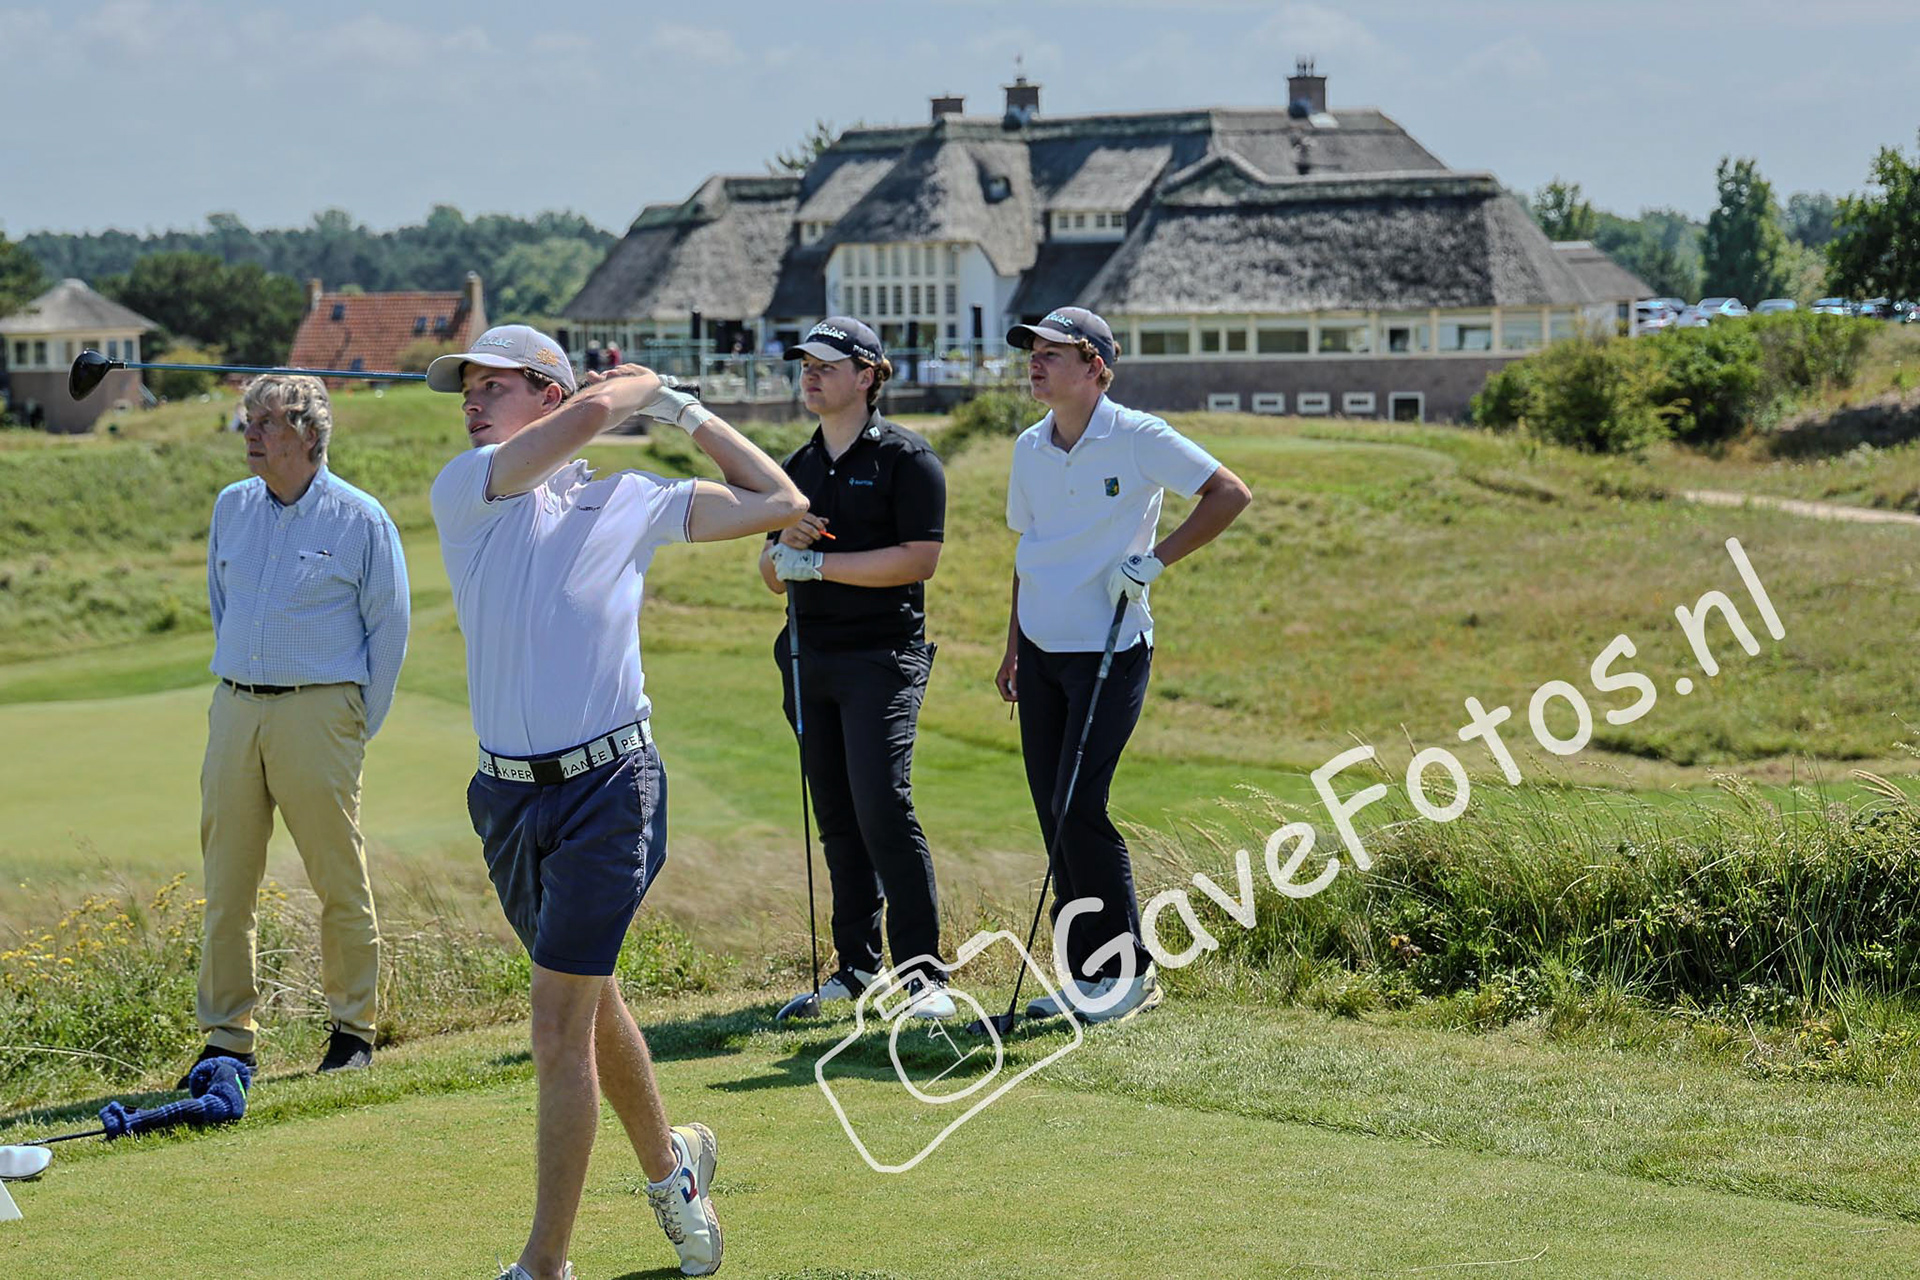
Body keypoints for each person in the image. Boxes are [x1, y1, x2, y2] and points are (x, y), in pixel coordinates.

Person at [427, 324, 806, 1280]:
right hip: (507, 801)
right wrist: (634, 391)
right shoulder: (468, 488)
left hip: (611, 786)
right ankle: (674, 1171)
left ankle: (545, 1263)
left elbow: (781, 501)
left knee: (556, 1022)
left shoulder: (626, 498)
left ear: (545, 395)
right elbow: (600, 408)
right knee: (591, 1007)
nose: (471, 401)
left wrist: (688, 412)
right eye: (465, 387)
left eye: (494, 385)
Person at [994, 307, 1251, 1024]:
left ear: (1097, 367)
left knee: (1081, 806)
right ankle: (1086, 979)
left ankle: (1130, 974)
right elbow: (1028, 552)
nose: (1036, 363)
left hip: (1110, 648)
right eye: (1032, 352)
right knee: (1053, 815)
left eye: (1053, 353)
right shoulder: (1028, 447)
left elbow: (1229, 493)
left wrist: (1155, 560)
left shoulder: (1137, 436)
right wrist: (1013, 647)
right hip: (1042, 653)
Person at [188, 374, 410, 1084]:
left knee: (337, 878)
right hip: (235, 708)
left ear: (309, 435)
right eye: (247, 421)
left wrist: (349, 724)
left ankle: (353, 1030)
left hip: (321, 711)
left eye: (266, 422)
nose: (250, 433)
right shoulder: (232, 507)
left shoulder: (361, 518)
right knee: (227, 882)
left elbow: (389, 631)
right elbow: (223, 607)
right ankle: (228, 1037)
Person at [760, 317, 952, 1017]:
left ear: (868, 375)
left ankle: (924, 975)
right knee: (838, 816)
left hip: (883, 658)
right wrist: (782, 546)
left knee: (883, 808)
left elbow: (917, 560)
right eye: (805, 364)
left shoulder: (909, 460)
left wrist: (817, 562)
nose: (810, 373)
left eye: (827, 365)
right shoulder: (797, 471)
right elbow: (772, 574)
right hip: (811, 657)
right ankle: (856, 968)